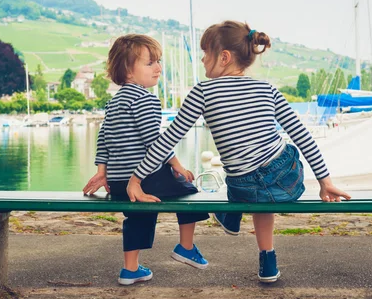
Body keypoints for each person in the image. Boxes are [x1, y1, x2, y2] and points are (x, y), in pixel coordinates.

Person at [127, 21, 351, 283]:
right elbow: (303, 137)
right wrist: (326, 182)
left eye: (206, 53)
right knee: (278, 158)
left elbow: (168, 140)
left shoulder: (202, 91)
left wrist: (136, 178)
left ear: (223, 57)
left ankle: (231, 214)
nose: (201, 59)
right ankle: (268, 260)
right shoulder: (268, 89)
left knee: (243, 176)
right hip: (284, 183)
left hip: (243, 185)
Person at [82, 34, 209, 286]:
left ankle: (130, 269)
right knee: (190, 192)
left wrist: (102, 171)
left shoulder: (113, 102)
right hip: (144, 178)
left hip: (119, 182)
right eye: (150, 63)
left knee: (137, 215)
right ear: (128, 70)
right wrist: (178, 166)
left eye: (158, 62)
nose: (159, 68)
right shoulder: (145, 99)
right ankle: (185, 246)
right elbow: (156, 142)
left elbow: (103, 140)